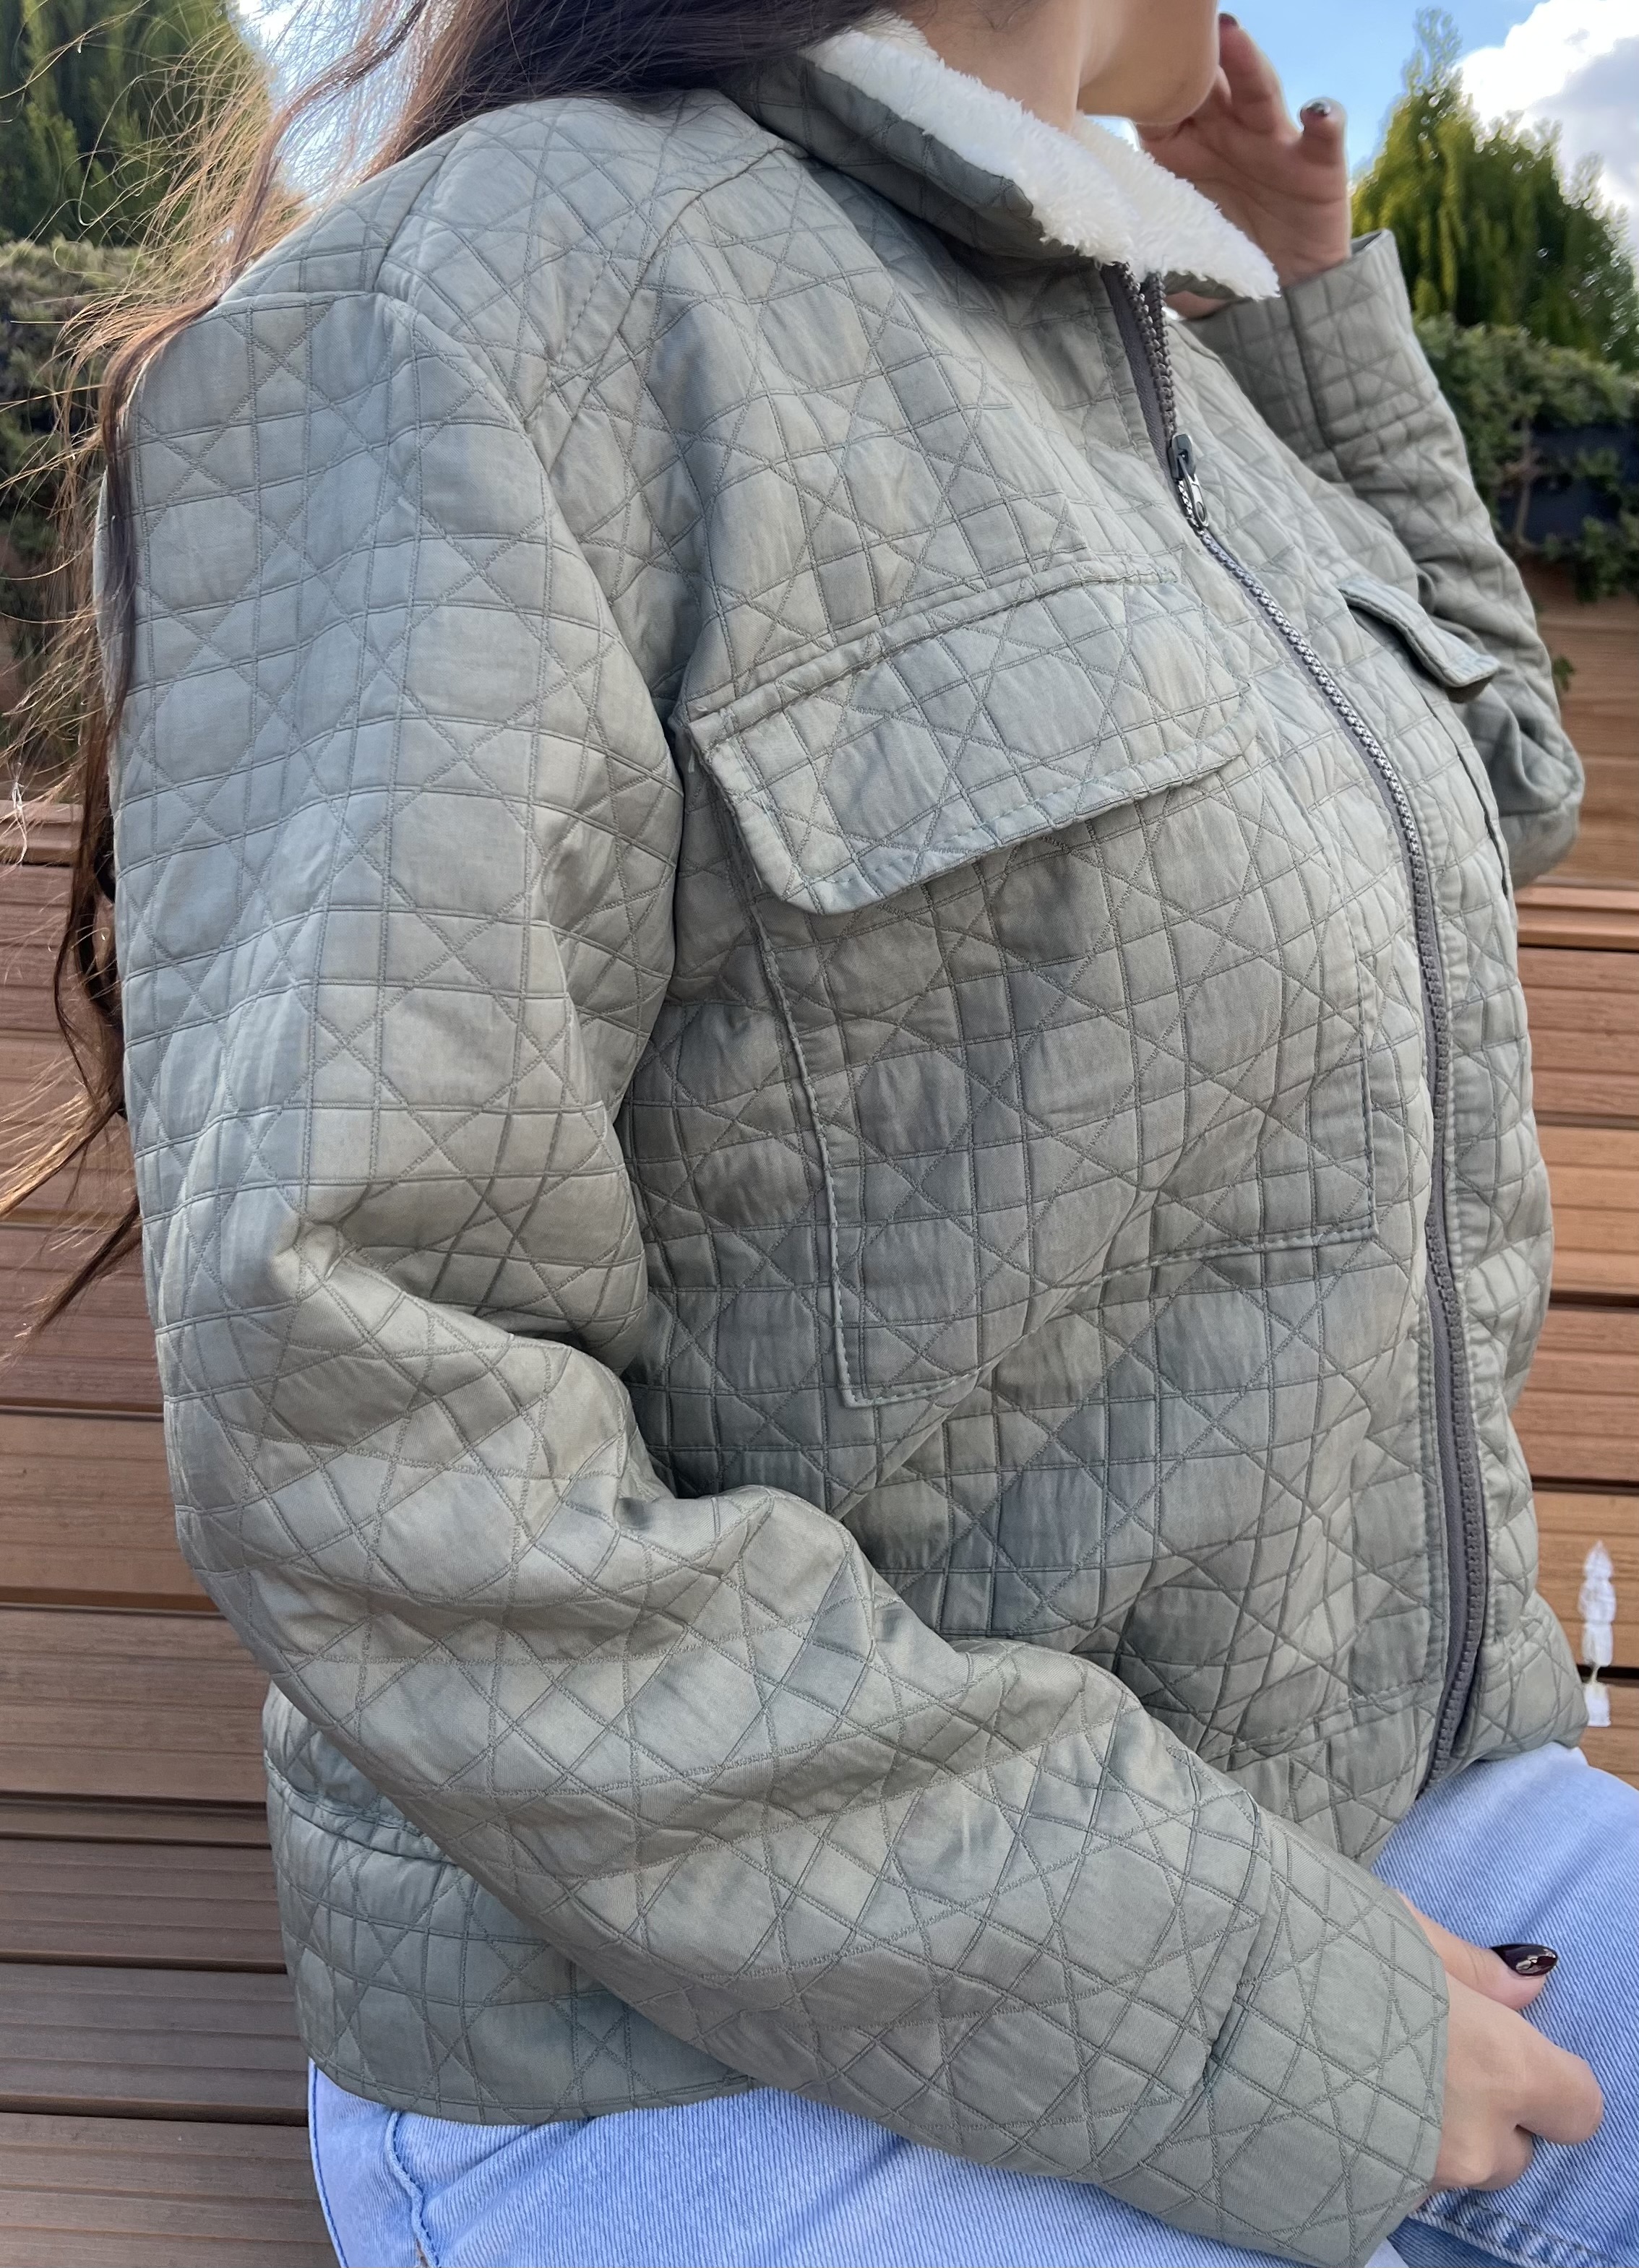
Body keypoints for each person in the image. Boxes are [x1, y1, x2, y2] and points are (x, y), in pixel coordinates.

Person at [20, 0, 1635, 2261]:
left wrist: (1302, 289)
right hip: (681, 2032)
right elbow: (361, 1422)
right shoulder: (480, 311)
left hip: (1367, 1817)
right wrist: (1244, 1990)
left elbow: (1507, 765)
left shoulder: (1153, 375)